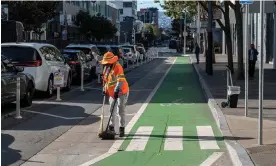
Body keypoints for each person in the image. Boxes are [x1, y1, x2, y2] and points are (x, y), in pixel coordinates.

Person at [101, 52, 129, 137]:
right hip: (112, 93)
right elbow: (106, 81)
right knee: (111, 109)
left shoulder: (118, 67)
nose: (106, 64)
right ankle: (111, 127)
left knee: (120, 110)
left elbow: (120, 80)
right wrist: (104, 89)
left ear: (112, 61)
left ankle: (122, 128)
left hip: (122, 91)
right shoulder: (106, 69)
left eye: (107, 63)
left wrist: (117, 90)